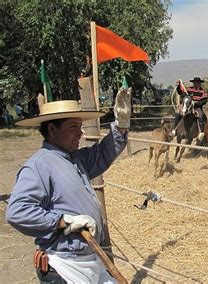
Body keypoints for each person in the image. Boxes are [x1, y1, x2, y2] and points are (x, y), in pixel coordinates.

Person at [5, 87, 131, 283]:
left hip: (90, 260)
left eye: (80, 127)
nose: (80, 134)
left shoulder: (76, 159)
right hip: (64, 266)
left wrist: (121, 125)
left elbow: (103, 154)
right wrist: (64, 221)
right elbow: (17, 212)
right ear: (52, 130)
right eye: (73, 127)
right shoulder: (39, 166)